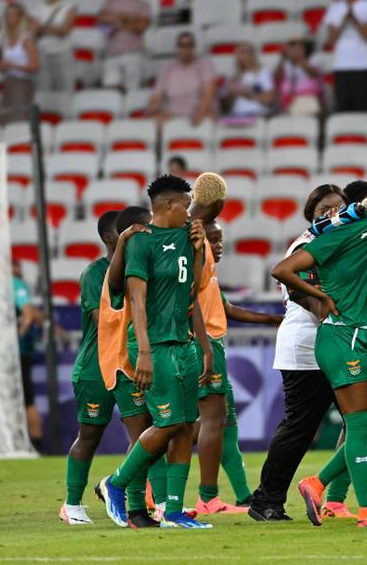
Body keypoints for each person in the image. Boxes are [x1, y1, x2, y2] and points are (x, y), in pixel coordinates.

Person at [272, 194, 367, 528]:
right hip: (342, 337)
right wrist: (320, 296)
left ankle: (316, 483)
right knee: (357, 426)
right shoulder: (336, 238)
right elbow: (282, 270)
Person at [96, 175, 214, 530]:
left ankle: (174, 512)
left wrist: (197, 249)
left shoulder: (187, 236)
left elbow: (192, 288)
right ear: (168, 206)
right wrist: (143, 351)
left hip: (183, 343)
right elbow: (137, 299)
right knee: (168, 422)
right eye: (186, 205)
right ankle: (115, 483)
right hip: (153, 345)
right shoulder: (141, 242)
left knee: (185, 427)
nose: (190, 212)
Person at [248, 184, 349, 522]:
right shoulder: (305, 246)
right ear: (312, 215)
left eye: (338, 208)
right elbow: (307, 297)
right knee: (300, 428)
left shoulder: (342, 245)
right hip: (305, 347)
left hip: (335, 344)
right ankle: (266, 500)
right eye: (324, 210)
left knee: (365, 421)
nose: (332, 215)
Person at [187, 173, 282, 515]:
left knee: (220, 421)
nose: (220, 242)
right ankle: (206, 496)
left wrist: (273, 320)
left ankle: (241, 495)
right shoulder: (192, 236)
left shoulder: (197, 238)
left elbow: (222, 306)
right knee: (199, 422)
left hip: (209, 340)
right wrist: (205, 345)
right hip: (202, 342)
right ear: (217, 201)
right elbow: (188, 299)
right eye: (218, 238)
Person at [60, 209, 160, 528]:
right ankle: (72, 503)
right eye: (128, 232)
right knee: (89, 435)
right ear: (109, 237)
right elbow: (102, 321)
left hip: (128, 363)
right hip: (95, 367)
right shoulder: (95, 274)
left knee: (147, 432)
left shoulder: (143, 268)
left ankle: (148, 503)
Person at [324, 0, 367, 112]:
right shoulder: (334, 8)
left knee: (363, 106)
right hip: (341, 65)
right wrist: (344, 20)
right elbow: (331, 39)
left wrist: (354, 19)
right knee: (343, 107)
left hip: (361, 63)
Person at [146, 31, 217, 125]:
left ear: (193, 47)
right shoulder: (168, 68)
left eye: (189, 45)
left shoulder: (203, 65)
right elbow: (157, 94)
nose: (185, 48)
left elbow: (209, 93)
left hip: (197, 115)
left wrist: (200, 113)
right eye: (182, 45)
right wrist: (153, 106)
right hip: (173, 115)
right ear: (177, 47)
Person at [97, 0, 151, 91]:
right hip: (112, 54)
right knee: (111, 96)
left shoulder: (143, 3)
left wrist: (116, 21)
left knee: (131, 95)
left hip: (133, 54)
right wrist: (130, 19)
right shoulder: (110, 1)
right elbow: (101, 22)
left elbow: (141, 27)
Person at [12, 259, 43, 453]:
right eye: (15, 266)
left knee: (24, 399)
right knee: (24, 399)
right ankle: (33, 443)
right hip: (13, 353)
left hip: (12, 354)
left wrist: (18, 335)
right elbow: (32, 314)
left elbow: (30, 314)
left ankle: (34, 443)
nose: (17, 270)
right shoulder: (14, 284)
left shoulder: (10, 285)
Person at [32, 0, 76, 93]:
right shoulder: (38, 7)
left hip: (62, 51)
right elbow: (34, 29)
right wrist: (55, 28)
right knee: (43, 87)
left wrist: (43, 28)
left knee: (65, 87)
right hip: (42, 51)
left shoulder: (69, 7)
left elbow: (64, 30)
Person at [0, 2, 39, 124]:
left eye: (12, 15)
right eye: (7, 15)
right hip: (8, 81)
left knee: (18, 119)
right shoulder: (4, 38)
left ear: (20, 17)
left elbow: (35, 65)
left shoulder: (26, 39)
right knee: (5, 118)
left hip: (22, 83)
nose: (8, 18)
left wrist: (11, 65)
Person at [221, 43, 276, 119]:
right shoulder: (233, 75)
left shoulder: (264, 72)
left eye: (248, 51)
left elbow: (269, 98)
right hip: (236, 114)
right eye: (242, 52)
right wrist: (231, 94)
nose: (246, 55)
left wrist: (248, 94)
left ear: (253, 54)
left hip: (257, 113)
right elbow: (225, 104)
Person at [274, 36, 324, 116]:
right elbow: (277, 78)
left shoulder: (314, 59)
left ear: (305, 48)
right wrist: (283, 58)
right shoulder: (285, 63)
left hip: (309, 99)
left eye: (299, 47)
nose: (296, 49)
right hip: (289, 100)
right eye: (293, 47)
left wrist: (299, 59)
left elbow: (313, 74)